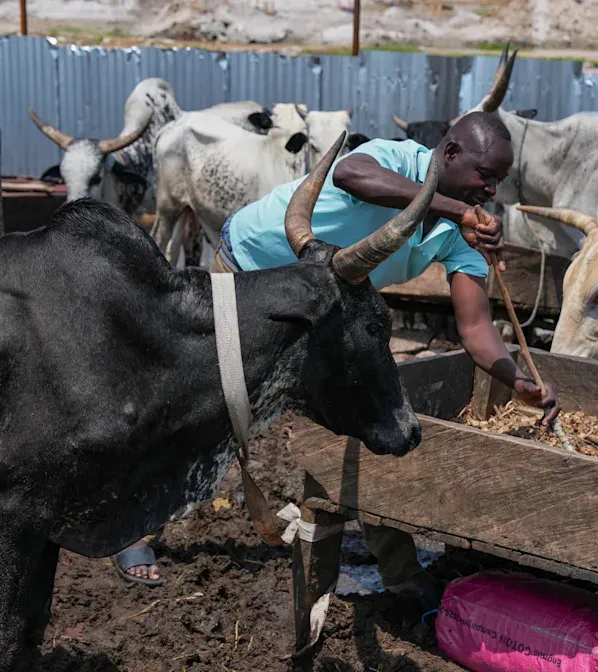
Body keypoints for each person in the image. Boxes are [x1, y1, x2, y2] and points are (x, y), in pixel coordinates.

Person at [110, 111, 561, 604]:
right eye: (485, 176)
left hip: (323, 309)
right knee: (201, 405)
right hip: (250, 271)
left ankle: (401, 572)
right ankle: (127, 524)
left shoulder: (462, 235)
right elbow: (350, 174)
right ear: (450, 154)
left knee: (373, 416)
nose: (491, 191)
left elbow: (476, 330)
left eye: (498, 181)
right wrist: (454, 208)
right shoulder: (399, 160)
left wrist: (516, 379)